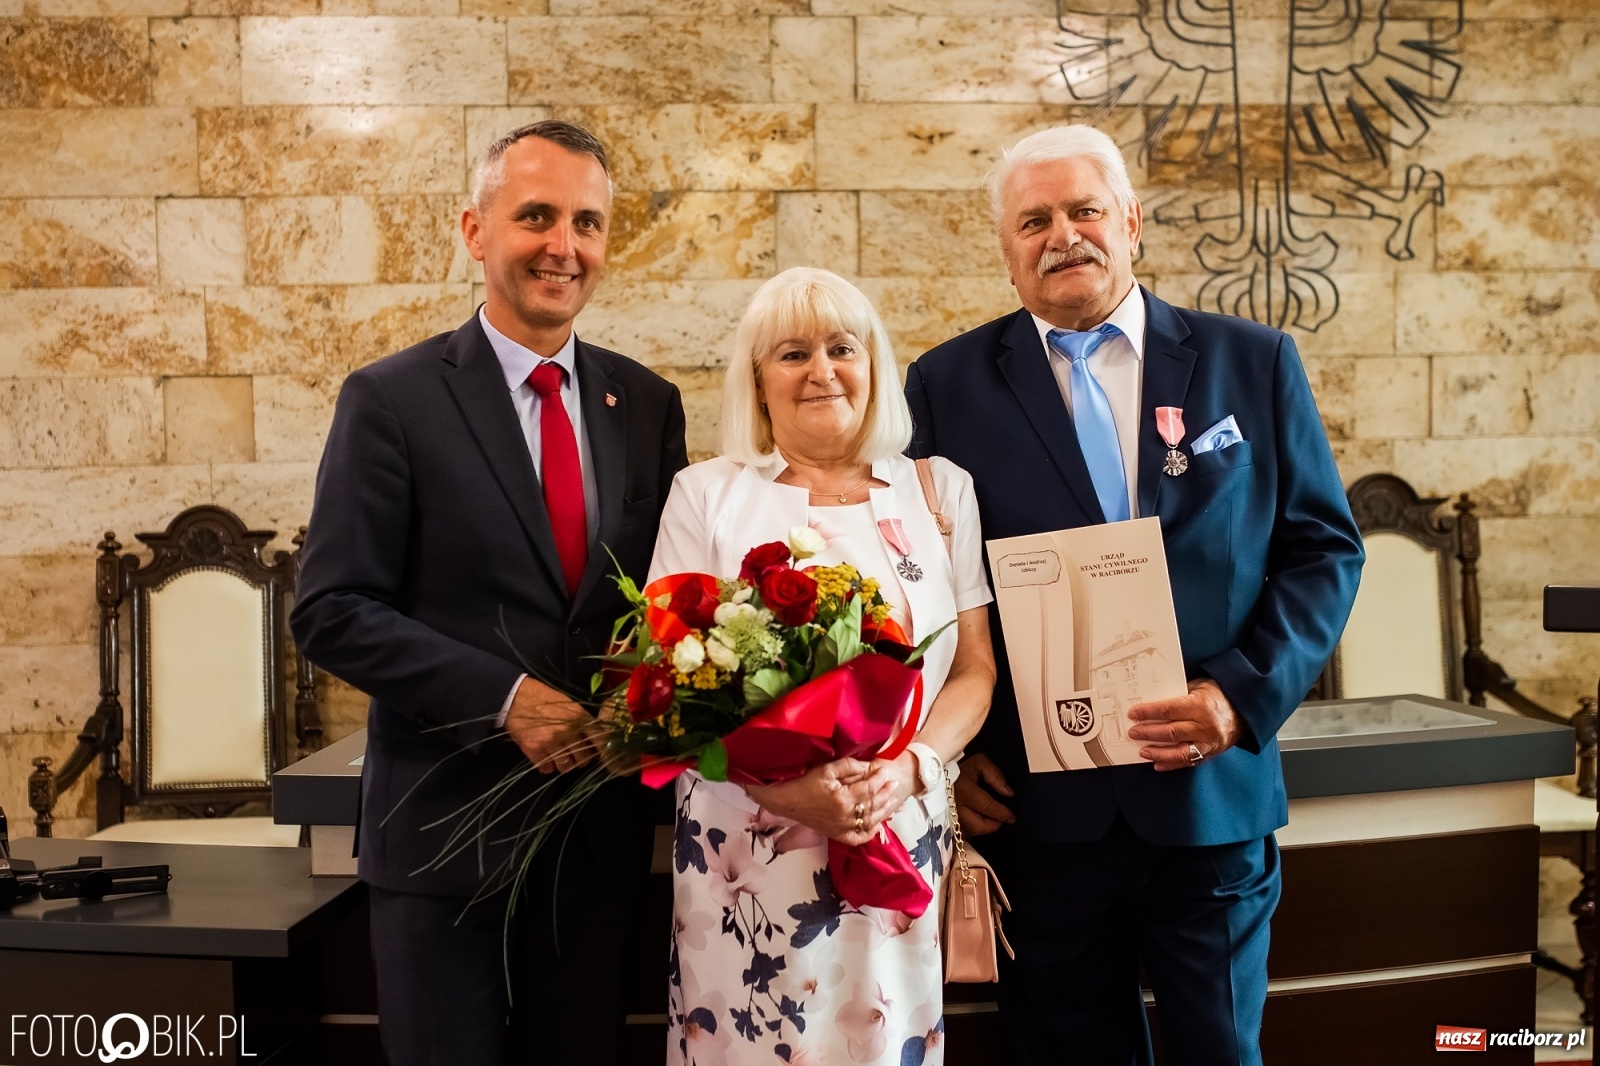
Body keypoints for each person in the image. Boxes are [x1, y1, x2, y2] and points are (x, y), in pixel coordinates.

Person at [904, 125, 1365, 1066]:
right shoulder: (944, 386)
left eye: (1083, 210)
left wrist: (1239, 696)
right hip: (1036, 811)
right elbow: (921, 584)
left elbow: (1324, 552)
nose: (1061, 235)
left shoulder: (1255, 361)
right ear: (1005, 249)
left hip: (1208, 801)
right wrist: (955, 758)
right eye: (1033, 220)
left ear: (1132, 222)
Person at [290, 121, 687, 1066]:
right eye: (536, 216)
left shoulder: (649, 403)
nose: (564, 245)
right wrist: (504, 700)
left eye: (586, 223)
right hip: (441, 839)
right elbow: (332, 609)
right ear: (475, 231)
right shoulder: (390, 400)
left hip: (595, 842)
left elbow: (667, 598)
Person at [649, 267, 997, 1065]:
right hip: (746, 842)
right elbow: (667, 688)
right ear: (756, 380)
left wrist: (911, 769)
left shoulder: (939, 491)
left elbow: (974, 670)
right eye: (792, 353)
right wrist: (780, 785)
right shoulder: (706, 495)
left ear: (874, 364)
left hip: (896, 827)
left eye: (843, 347)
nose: (821, 370)